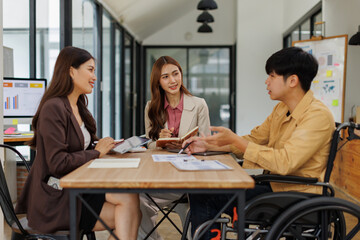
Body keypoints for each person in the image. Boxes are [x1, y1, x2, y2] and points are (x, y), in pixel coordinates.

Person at [183, 47, 335, 239]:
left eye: (272, 75)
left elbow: (285, 162)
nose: (266, 81)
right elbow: (253, 140)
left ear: (293, 81)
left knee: (206, 192)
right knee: (204, 186)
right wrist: (208, 145)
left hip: (298, 194)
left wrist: (236, 140)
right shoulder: (281, 109)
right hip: (275, 186)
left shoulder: (317, 116)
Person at [15, 46, 141, 239]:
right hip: (55, 191)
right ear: (71, 71)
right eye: (90, 69)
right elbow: (58, 163)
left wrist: (108, 148)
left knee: (130, 203)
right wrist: (97, 152)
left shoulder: (78, 105)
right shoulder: (53, 108)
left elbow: (80, 146)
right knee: (128, 210)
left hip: (75, 185)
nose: (94, 76)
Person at [140, 56, 211, 240]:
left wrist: (194, 144)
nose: (172, 80)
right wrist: (158, 140)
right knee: (137, 199)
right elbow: (148, 144)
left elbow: (207, 144)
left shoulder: (199, 105)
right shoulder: (151, 107)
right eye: (165, 77)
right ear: (158, 81)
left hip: (190, 177)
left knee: (192, 215)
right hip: (160, 176)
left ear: (181, 75)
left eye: (175, 74)